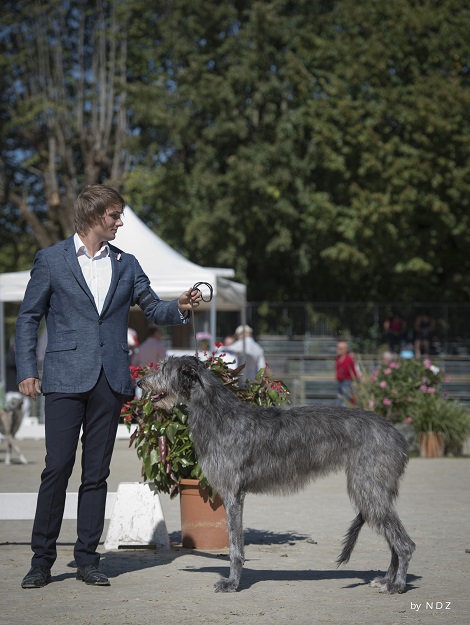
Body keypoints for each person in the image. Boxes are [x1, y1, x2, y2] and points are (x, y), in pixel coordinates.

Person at [15, 184, 202, 589]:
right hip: (64, 376)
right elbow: (29, 317)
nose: (120, 222)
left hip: (111, 379)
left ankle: (87, 559)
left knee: (96, 474)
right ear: (94, 215)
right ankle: (41, 560)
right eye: (115, 215)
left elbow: (153, 307)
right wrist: (27, 369)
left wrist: (181, 306)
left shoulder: (127, 263)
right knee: (56, 469)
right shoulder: (51, 260)